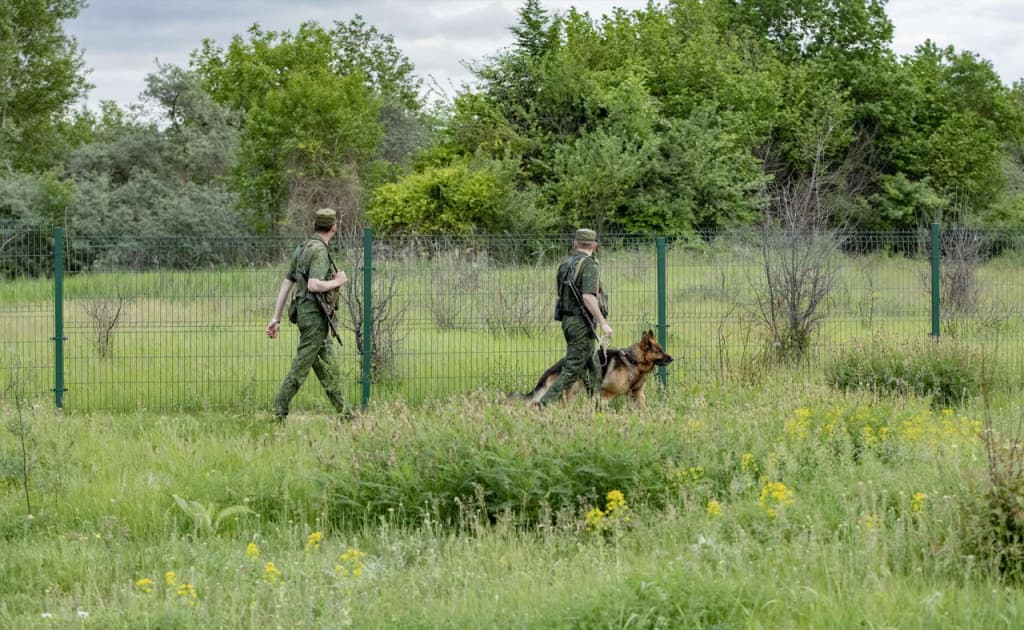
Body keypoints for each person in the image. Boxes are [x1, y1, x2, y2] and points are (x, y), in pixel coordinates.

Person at [266, 208, 351, 422]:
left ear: (314, 225)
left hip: (308, 315)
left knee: (328, 368)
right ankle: (278, 412)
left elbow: (287, 283)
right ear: (334, 228)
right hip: (314, 318)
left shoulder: (303, 248)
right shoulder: (319, 250)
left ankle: (345, 413)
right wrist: (338, 281)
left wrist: (276, 318)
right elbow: (313, 285)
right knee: (300, 367)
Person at [537, 228, 613, 406]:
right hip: (581, 324)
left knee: (592, 365)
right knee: (572, 370)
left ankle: (596, 404)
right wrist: (603, 323)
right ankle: (543, 405)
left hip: (568, 321)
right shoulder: (589, 265)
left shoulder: (565, 264)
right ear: (594, 245)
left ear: (575, 243)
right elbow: (588, 297)